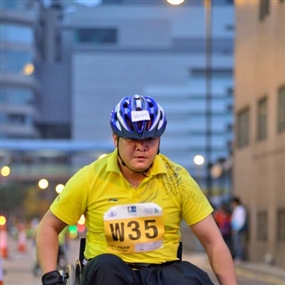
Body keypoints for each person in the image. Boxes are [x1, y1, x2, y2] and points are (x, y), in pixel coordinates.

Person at [36, 94, 237, 285]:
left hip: (161, 273)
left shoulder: (178, 179)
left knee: (190, 277)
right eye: (132, 140)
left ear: (159, 140)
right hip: (108, 275)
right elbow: (49, 227)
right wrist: (50, 276)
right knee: (107, 266)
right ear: (116, 139)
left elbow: (213, 242)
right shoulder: (90, 177)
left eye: (149, 140)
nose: (141, 147)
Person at [230, 196, 247, 264]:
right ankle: (237, 257)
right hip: (235, 229)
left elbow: (241, 220)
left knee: (238, 244)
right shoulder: (237, 209)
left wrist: (237, 229)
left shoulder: (240, 209)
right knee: (236, 244)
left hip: (238, 229)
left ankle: (239, 257)